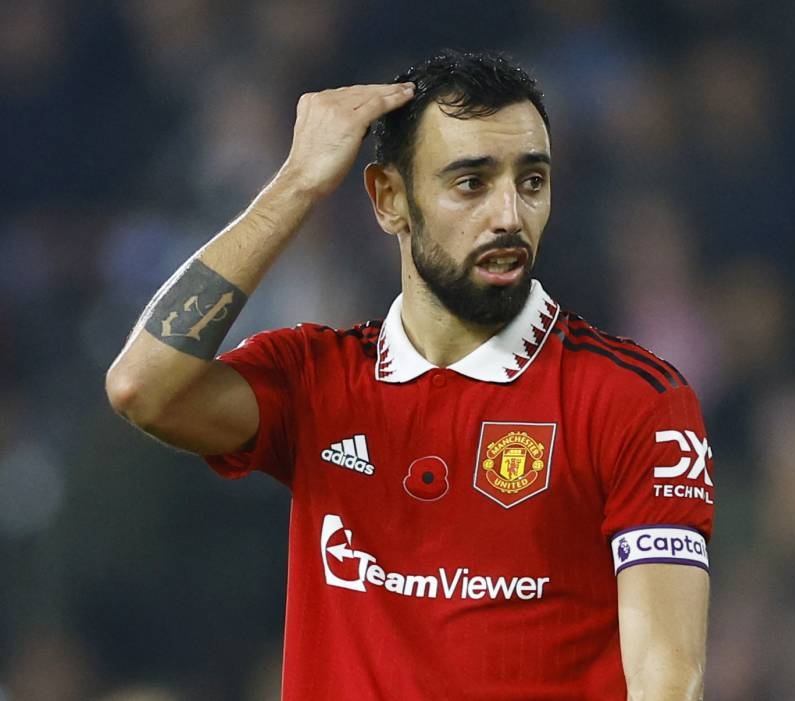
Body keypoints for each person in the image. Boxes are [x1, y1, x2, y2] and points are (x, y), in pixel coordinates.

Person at [106, 49, 715, 700]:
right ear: (389, 198)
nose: (509, 215)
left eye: (531, 181)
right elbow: (143, 387)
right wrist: (297, 185)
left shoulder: (633, 399)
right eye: (471, 183)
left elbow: (667, 675)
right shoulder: (317, 380)